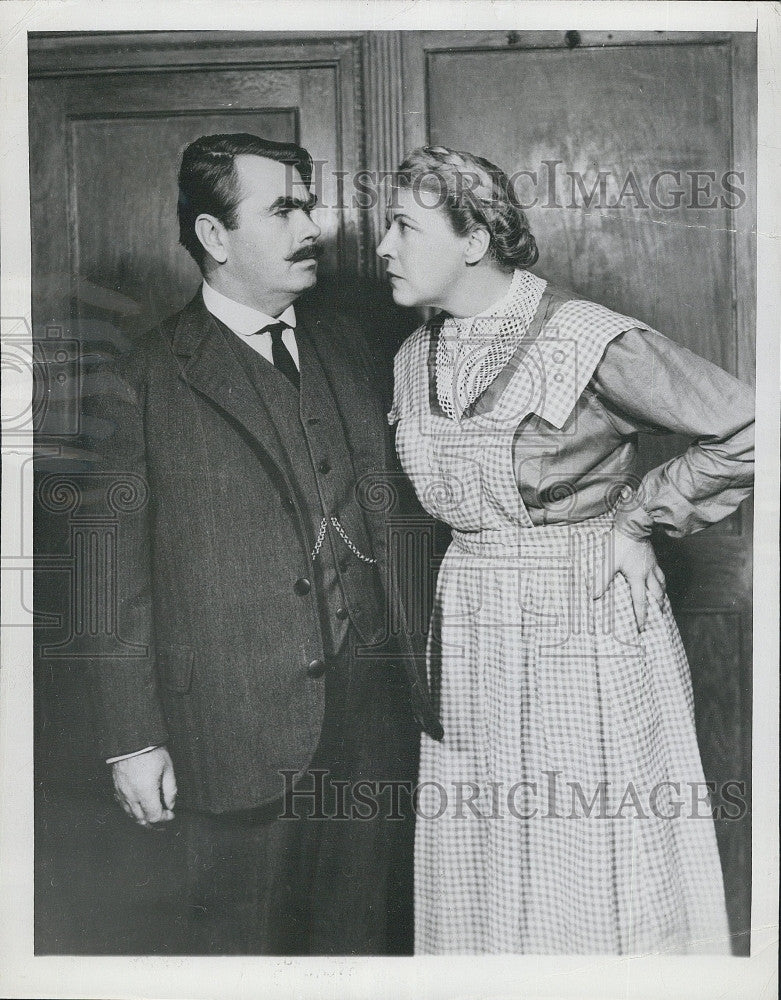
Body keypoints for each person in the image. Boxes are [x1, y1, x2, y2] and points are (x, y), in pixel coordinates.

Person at [377, 145, 754, 955]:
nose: (383, 245)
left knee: (588, 856)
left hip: (582, 623)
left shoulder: (585, 337)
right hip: (472, 630)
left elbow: (749, 423)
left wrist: (636, 519)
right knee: (482, 861)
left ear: (472, 239)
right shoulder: (412, 361)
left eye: (404, 225)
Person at [81, 132, 441, 955]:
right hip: (232, 731)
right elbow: (108, 574)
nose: (310, 224)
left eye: (307, 203)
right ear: (214, 237)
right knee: (247, 956)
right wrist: (132, 738)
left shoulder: (357, 349)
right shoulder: (144, 375)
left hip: (378, 724)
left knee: (366, 950)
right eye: (284, 208)